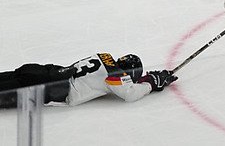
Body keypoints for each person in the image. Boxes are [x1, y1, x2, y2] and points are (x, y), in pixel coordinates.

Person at [0, 52, 177, 108]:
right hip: (54, 87)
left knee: (12, 77)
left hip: (48, 71)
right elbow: (129, 94)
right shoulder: (117, 76)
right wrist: (151, 83)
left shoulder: (104, 56)